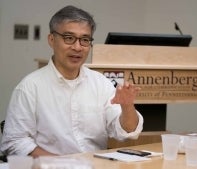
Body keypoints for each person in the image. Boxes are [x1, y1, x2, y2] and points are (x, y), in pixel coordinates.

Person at [0, 5, 143, 158]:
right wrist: (62, 164)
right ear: (51, 39)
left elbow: (127, 132)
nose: (77, 47)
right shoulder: (29, 87)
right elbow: (14, 142)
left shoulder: (101, 83)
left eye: (85, 40)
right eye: (69, 38)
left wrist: (127, 107)